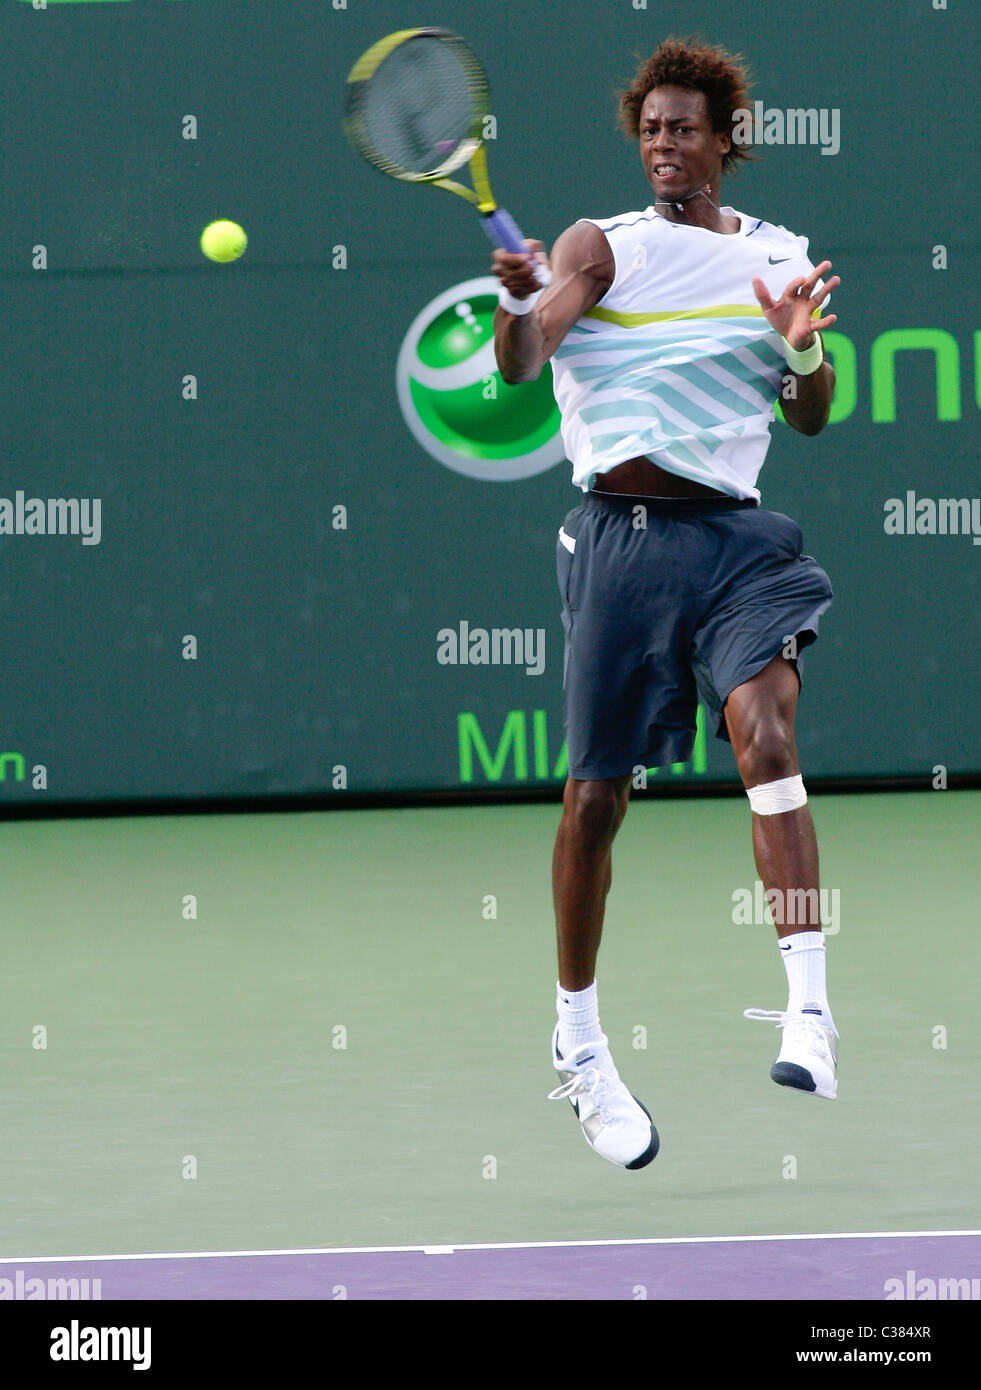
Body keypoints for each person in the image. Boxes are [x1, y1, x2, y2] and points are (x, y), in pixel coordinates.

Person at [492, 37, 841, 1169]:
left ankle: (810, 1006)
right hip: (621, 544)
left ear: (726, 142)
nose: (663, 146)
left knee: (769, 733)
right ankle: (580, 1042)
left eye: (683, 129)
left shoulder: (780, 256)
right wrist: (516, 308)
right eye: (650, 130)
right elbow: (523, 360)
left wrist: (798, 350)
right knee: (595, 804)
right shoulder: (603, 247)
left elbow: (813, 415)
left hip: (736, 540)